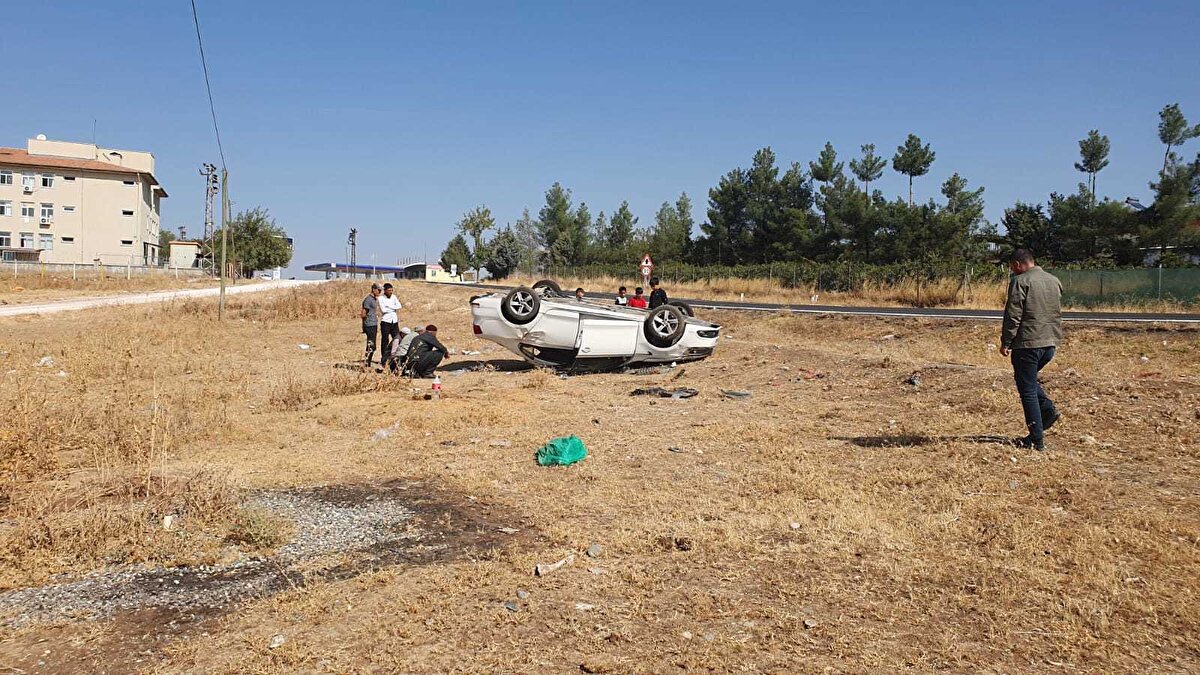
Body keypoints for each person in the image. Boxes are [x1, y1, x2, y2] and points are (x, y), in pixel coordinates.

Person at [1000, 249, 1063, 451]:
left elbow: (1014, 315)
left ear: (1018, 264)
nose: (1012, 271)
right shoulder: (1054, 280)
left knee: (1026, 389)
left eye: (1012, 267)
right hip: (1050, 342)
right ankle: (1047, 410)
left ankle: (1036, 439)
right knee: (1027, 380)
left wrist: (1006, 341)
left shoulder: (1021, 281)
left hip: (1028, 343)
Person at [378, 283, 402, 363]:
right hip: (386, 321)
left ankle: (395, 356)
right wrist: (393, 308)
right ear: (385, 290)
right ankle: (384, 358)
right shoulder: (380, 298)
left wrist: (389, 307)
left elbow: (399, 306)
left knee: (397, 338)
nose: (391, 292)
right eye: (389, 290)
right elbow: (383, 310)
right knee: (385, 340)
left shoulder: (394, 297)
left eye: (392, 290)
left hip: (394, 321)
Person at [360, 283, 382, 367]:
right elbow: (363, 313)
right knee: (371, 345)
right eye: (378, 290)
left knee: (372, 344)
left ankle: (367, 362)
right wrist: (365, 325)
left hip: (373, 323)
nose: (379, 292)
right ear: (373, 289)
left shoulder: (374, 299)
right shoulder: (368, 300)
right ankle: (367, 362)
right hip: (369, 324)